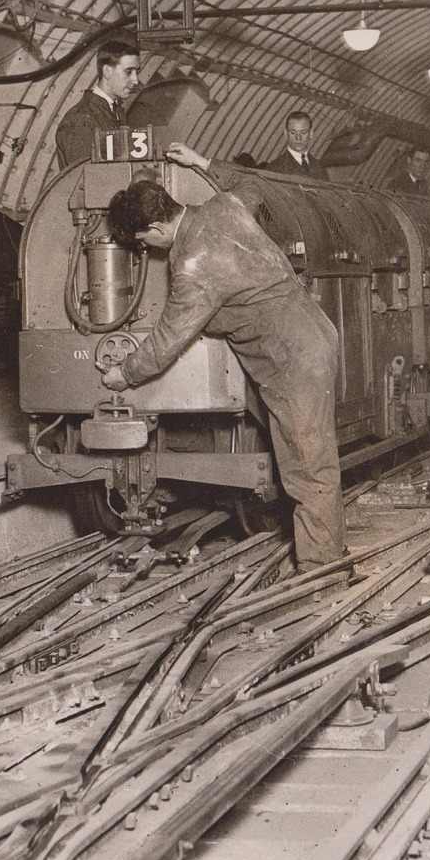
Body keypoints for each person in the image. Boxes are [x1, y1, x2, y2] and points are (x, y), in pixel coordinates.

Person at [99, 178, 346, 570]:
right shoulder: (223, 205)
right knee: (303, 453)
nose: (146, 249)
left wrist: (123, 374)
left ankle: (321, 569)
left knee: (307, 464)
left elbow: (167, 340)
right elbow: (253, 186)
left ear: (158, 228)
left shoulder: (193, 266)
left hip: (291, 355)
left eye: (144, 241)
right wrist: (202, 165)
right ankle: (323, 554)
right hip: (308, 329)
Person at [54, 39, 141, 167]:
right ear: (107, 71)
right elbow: (87, 179)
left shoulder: (112, 112)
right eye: (128, 72)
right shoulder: (81, 120)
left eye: (136, 72)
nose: (135, 80)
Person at [261, 111, 329, 180]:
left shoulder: (320, 167)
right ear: (286, 134)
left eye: (303, 132)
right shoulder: (274, 168)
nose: (298, 138)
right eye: (293, 133)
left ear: (310, 133)